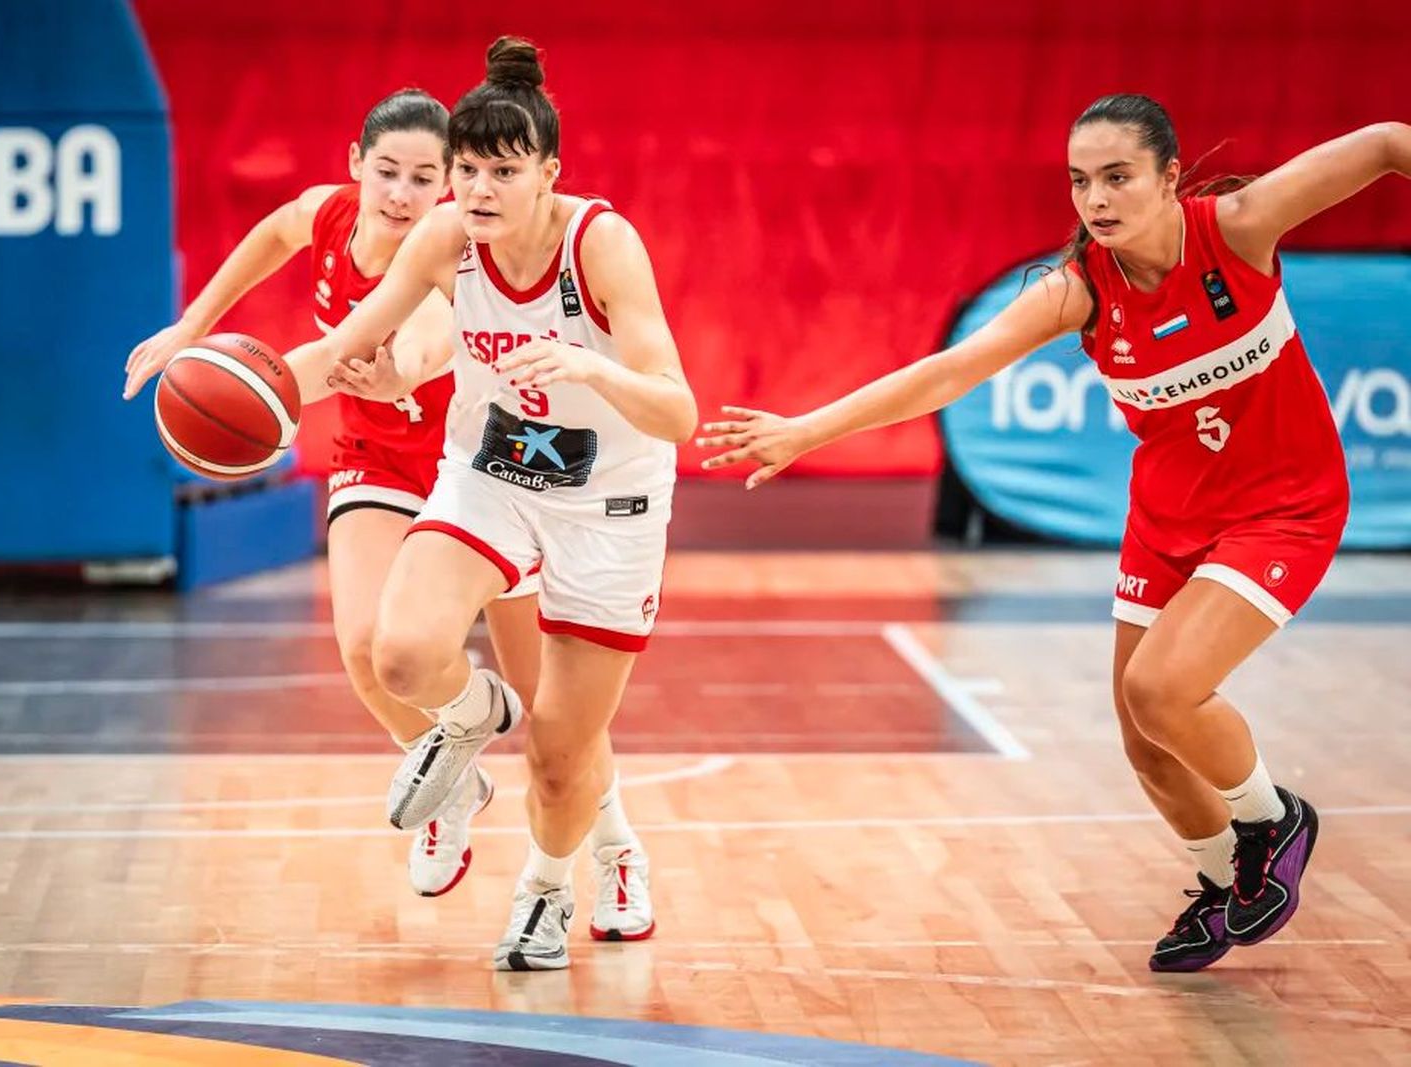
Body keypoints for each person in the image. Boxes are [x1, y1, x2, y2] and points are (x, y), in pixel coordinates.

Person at [697, 96, 1411, 972]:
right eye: (1080, 181)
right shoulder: (1078, 290)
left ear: (1169, 177)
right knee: (1144, 737)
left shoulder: (1238, 227)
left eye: (1117, 177)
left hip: (1284, 506)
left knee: (1162, 689)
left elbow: (1386, 143)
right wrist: (809, 429)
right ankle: (1227, 878)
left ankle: (1273, 820)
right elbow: (948, 371)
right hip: (1169, 517)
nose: (1096, 200)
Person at [121, 89, 642, 905]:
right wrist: (194, 329)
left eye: (424, 178)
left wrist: (378, 375)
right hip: (376, 461)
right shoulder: (328, 216)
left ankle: (614, 845)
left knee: (556, 718)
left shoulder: (452, 260)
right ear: (356, 165)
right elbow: (272, 236)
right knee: (367, 651)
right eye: (388, 172)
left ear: (449, 185)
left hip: (483, 471)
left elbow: (420, 352)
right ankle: (454, 780)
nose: (402, 193)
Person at [288, 36, 695, 970]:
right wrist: (252, 391)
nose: (478, 189)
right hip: (494, 477)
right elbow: (346, 347)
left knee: (559, 753)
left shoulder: (602, 245)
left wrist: (591, 367)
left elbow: (678, 411)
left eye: (503, 172)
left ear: (549, 174)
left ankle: (560, 881)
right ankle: (471, 713)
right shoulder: (444, 239)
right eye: (467, 169)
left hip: (608, 504)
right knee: (398, 654)